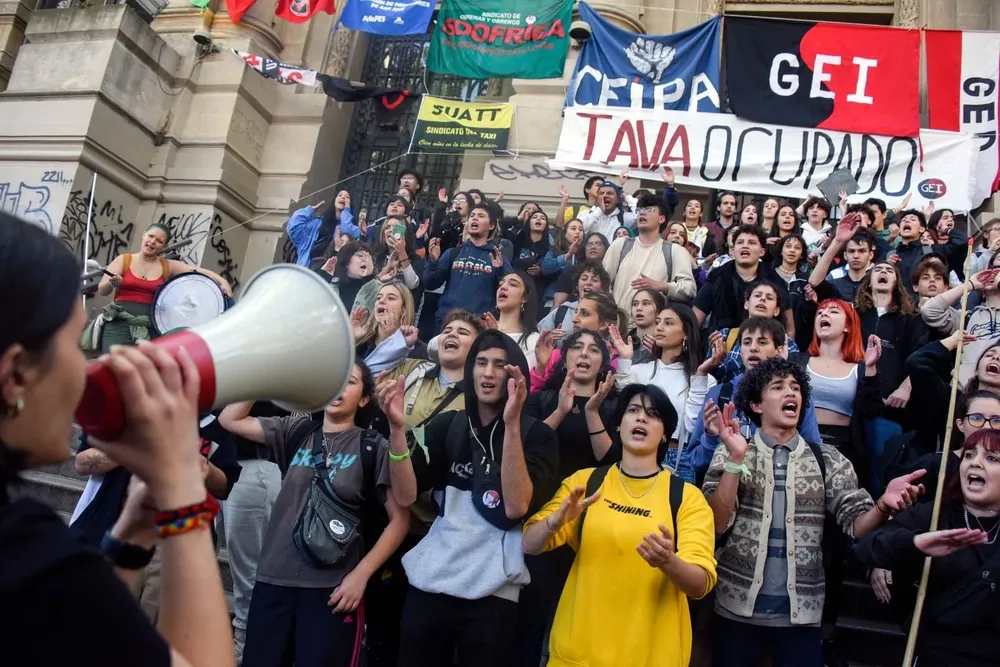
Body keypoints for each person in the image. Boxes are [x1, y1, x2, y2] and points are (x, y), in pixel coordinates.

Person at [0, 212, 234, 666]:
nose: (89, 367)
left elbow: (96, 641)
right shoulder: (25, 553)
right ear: (16, 375)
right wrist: (181, 495)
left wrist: (129, 540)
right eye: (74, 345)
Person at [704, 357, 926, 667]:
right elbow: (716, 522)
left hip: (802, 617)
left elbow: (857, 525)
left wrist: (882, 505)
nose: (790, 393)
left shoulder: (828, 460)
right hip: (734, 610)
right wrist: (736, 459)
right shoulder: (732, 452)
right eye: (778, 387)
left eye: (796, 387)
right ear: (756, 405)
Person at [375, 330, 558, 667]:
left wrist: (512, 424)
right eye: (481, 362)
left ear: (516, 373)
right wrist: (397, 432)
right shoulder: (450, 425)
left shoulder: (538, 435)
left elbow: (516, 506)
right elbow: (405, 494)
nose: (488, 373)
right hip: (430, 584)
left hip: (492, 594)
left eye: (499, 365)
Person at [219, 361, 409, 667]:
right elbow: (230, 419)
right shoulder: (296, 430)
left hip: (331, 588)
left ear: (364, 399)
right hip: (273, 579)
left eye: (349, 382)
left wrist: (361, 575)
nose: (338, 388)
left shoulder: (371, 446)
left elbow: (401, 519)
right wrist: (263, 369)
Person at [522, 384, 718, 667]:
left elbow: (700, 585)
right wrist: (554, 521)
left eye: (652, 414)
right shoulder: (586, 483)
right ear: (618, 425)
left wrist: (668, 560)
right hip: (576, 654)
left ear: (665, 434)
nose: (641, 418)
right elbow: (529, 544)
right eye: (633, 410)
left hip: (651, 657)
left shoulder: (686, 497)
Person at [515, 329, 619, 666]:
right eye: (577, 347)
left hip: (593, 523)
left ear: (604, 363)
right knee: (530, 617)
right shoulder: (541, 399)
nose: (584, 354)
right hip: (542, 518)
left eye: (594, 350)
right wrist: (561, 410)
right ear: (565, 358)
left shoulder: (615, 405)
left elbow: (613, 463)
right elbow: (522, 449)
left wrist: (592, 411)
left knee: (577, 618)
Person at [856, 429, 1000, 667]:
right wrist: (914, 543)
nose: (975, 462)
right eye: (969, 455)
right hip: (936, 655)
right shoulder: (934, 516)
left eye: (992, 458)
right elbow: (868, 547)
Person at [682, 318, 822, 482]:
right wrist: (712, 438)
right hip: (727, 490)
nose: (753, 348)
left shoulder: (795, 396)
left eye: (762, 342)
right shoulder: (720, 394)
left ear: (779, 350)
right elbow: (695, 461)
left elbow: (814, 456)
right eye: (746, 342)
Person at [610, 304, 723, 473]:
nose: (659, 327)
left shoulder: (705, 380)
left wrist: (700, 377)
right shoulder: (638, 370)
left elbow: (692, 428)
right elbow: (624, 411)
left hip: (678, 459)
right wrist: (625, 360)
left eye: (668, 323)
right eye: (658, 322)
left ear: (686, 332)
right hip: (635, 453)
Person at [92, 223, 232, 352]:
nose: (152, 241)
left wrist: (222, 281)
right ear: (144, 236)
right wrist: (112, 283)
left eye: (159, 241)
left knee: (141, 367)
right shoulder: (124, 259)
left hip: (149, 326)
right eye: (150, 236)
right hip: (118, 324)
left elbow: (196, 271)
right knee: (113, 363)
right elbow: (102, 290)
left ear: (164, 247)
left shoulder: (167, 266)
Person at [423, 202, 514, 332]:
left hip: (478, 324)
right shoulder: (453, 253)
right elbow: (429, 283)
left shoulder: (497, 257)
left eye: (481, 216)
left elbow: (510, 292)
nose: (475, 218)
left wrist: (499, 271)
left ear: (491, 225)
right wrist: (433, 262)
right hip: (447, 321)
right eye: (472, 215)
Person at [603, 195, 696, 317]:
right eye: (639, 210)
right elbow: (602, 282)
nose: (642, 213)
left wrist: (662, 286)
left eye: (649, 210)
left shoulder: (675, 251)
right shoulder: (620, 245)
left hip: (654, 326)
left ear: (661, 219)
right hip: (617, 323)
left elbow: (689, 289)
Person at [694, 225, 788, 335]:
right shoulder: (717, 275)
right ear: (733, 250)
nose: (745, 246)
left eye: (752, 243)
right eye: (740, 242)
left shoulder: (774, 280)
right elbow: (695, 320)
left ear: (762, 251)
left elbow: (789, 328)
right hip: (718, 342)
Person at [809, 214, 875, 302]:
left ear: (871, 255)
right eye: (851, 251)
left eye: (862, 251)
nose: (856, 256)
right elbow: (814, 282)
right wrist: (837, 241)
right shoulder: (835, 280)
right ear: (845, 255)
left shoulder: (876, 283)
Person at [538, 260, 611, 334]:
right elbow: (539, 334)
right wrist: (548, 338)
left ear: (603, 288)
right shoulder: (563, 310)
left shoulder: (608, 314)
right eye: (584, 279)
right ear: (577, 285)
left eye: (595, 280)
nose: (588, 283)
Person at [491, 271, 541, 370]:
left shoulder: (533, 340)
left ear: (525, 297)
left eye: (513, 284)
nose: (503, 287)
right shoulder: (481, 328)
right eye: (500, 284)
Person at [551, 231, 610, 309]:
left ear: (606, 248)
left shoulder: (611, 271)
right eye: (589, 244)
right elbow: (557, 304)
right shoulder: (570, 271)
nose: (593, 247)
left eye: (598, 244)